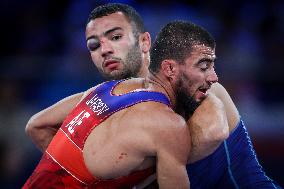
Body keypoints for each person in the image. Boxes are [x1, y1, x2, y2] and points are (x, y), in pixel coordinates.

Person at [24, 3, 281, 189]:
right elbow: (37, 126)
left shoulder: (189, 77)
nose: (105, 50)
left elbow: (215, 130)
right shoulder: (103, 94)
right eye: (94, 45)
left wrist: (148, 165)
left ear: (145, 42)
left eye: (115, 37)